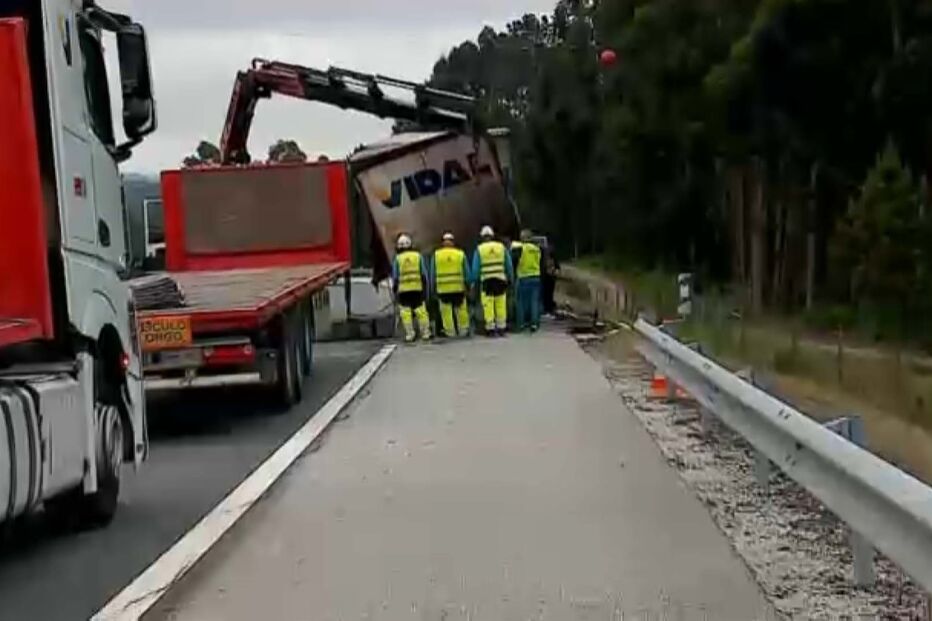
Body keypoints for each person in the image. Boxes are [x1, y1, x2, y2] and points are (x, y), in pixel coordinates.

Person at [471, 225, 514, 336]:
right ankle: (501, 327)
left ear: (482, 237)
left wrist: (474, 281)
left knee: (488, 304)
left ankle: (490, 328)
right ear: (492, 236)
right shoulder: (501, 247)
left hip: (487, 281)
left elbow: (476, 268)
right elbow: (508, 265)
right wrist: (511, 278)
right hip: (500, 279)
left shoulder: (480, 249)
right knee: (500, 303)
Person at [391, 233, 431, 343]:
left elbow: (395, 276)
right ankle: (425, 333)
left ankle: (410, 334)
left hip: (403, 291)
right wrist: (426, 288)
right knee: (421, 311)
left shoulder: (397, 259)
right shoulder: (418, 256)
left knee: (406, 313)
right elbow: (424, 274)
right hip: (417, 289)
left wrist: (395, 289)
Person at [431, 231, 472, 338]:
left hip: (443, 289)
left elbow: (432, 273)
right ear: (453, 242)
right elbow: (467, 272)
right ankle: (463, 330)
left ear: (443, 242)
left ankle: (450, 332)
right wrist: (468, 284)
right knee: (461, 310)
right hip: (458, 288)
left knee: (446, 312)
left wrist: (432, 288)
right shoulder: (460, 254)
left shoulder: (436, 255)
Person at [513, 230, 543, 332]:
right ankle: (534, 324)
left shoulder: (521, 248)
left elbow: (515, 260)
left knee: (521, 302)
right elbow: (540, 262)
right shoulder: (537, 249)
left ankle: (521, 323)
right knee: (534, 301)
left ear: (523, 238)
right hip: (536, 276)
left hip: (523, 277)